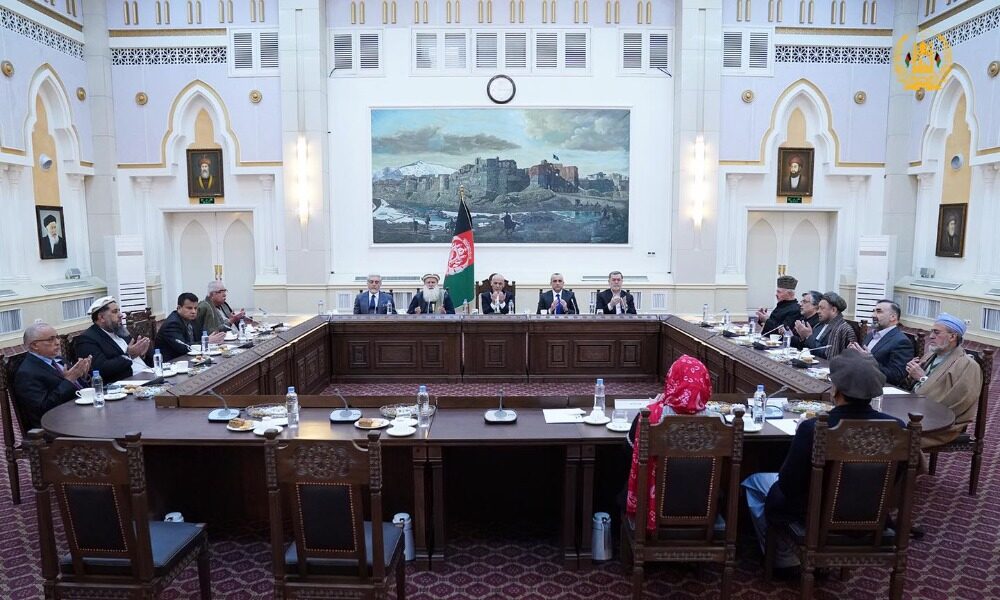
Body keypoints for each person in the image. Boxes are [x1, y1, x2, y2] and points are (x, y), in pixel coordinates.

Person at [742, 349, 902, 576]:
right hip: (869, 514)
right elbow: (895, 481)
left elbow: (788, 484)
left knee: (754, 481)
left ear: (836, 390)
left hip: (812, 514)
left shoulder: (814, 427)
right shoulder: (898, 428)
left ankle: (784, 557)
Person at [625, 355, 717, 531]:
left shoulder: (650, 416)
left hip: (653, 506)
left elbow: (628, 451)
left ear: (672, 381)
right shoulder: (718, 422)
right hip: (703, 509)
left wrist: (651, 406)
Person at [904, 313, 982, 447]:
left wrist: (922, 378)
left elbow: (957, 402)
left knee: (896, 435)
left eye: (936, 332)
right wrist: (911, 374)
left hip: (942, 423)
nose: (931, 336)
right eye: (931, 332)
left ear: (952, 337)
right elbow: (912, 386)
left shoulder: (968, 365)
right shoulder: (931, 354)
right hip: (914, 411)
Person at [13, 323, 91, 429]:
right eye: (51, 339)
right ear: (34, 345)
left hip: (79, 410)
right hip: (56, 425)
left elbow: (72, 386)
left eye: (57, 337)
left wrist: (82, 376)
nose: (57, 342)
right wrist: (70, 380)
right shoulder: (27, 373)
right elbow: (44, 408)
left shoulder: (58, 360)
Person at [72, 296, 151, 384]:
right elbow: (101, 369)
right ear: (101, 318)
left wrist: (142, 353)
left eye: (119, 311)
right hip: (125, 385)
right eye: (115, 312)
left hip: (147, 375)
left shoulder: (120, 331)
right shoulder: (87, 339)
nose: (121, 315)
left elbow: (137, 356)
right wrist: (129, 355)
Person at [848, 299, 913, 387]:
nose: (873, 315)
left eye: (879, 312)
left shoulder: (902, 342)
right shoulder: (870, 335)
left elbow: (896, 377)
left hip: (877, 388)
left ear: (893, 317)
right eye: (873, 311)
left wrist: (869, 360)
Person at [155, 293, 225, 361]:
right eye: (189, 308)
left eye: (195, 308)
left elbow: (197, 340)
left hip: (189, 359)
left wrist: (211, 340)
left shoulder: (191, 319)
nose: (193, 311)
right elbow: (183, 347)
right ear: (179, 308)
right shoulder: (172, 324)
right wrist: (206, 342)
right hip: (172, 362)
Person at [793, 292, 856, 359]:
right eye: (818, 308)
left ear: (833, 310)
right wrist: (803, 337)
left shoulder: (843, 329)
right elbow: (807, 349)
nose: (818, 311)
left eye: (822, 308)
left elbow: (829, 356)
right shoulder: (819, 325)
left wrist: (808, 336)